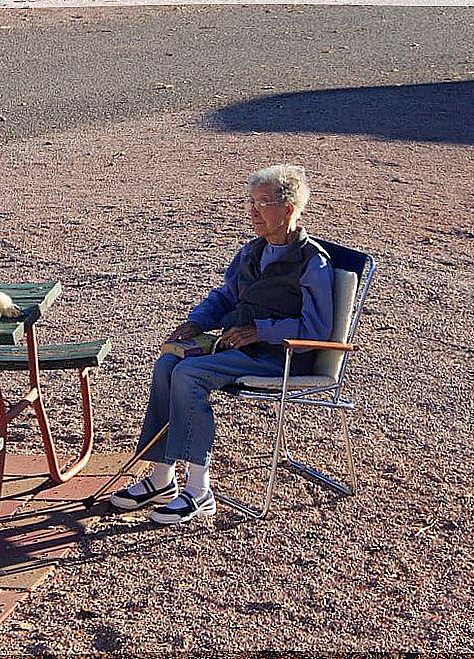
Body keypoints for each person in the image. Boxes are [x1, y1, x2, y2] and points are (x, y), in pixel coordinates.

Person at [110, 164, 335, 524]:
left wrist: (262, 331)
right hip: (240, 349)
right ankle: (161, 478)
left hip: (283, 358)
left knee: (189, 375)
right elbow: (225, 296)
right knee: (168, 363)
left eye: (262, 203)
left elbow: (319, 330)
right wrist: (198, 320)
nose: (252, 212)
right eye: (251, 202)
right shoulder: (252, 252)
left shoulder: (313, 264)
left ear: (289, 209)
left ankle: (199, 491)